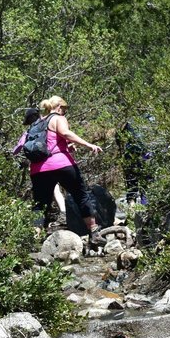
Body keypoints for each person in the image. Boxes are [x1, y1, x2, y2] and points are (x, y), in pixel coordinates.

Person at [14, 96, 106, 247]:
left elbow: (45, 145)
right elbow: (65, 133)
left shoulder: (36, 124)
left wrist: (67, 147)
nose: (64, 113)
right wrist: (89, 145)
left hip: (38, 169)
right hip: (61, 165)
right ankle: (94, 233)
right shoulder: (57, 118)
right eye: (64, 109)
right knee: (81, 195)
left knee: (40, 205)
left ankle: (34, 241)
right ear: (58, 107)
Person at [17, 108, 67, 229]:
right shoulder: (47, 125)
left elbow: (16, 149)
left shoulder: (29, 132)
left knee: (39, 202)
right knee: (56, 190)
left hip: (37, 169)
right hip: (52, 164)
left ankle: (36, 231)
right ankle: (64, 213)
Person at [115, 119, 152, 205]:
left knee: (131, 185)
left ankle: (132, 211)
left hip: (130, 157)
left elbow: (119, 138)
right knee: (146, 185)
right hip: (146, 157)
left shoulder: (129, 122)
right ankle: (145, 208)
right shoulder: (152, 119)